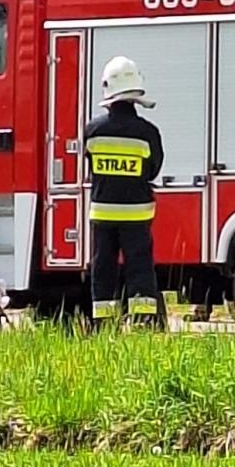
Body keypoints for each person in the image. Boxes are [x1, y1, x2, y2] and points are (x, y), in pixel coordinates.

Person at [84, 56, 164, 328]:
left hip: (103, 214)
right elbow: (153, 169)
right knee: (139, 267)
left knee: (103, 267)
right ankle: (143, 322)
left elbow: (90, 166)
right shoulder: (147, 133)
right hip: (137, 214)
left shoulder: (93, 130)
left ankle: (103, 324)